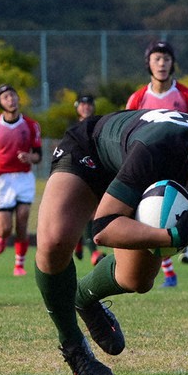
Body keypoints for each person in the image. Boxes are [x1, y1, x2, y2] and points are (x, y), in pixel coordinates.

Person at [34, 106, 188, 375]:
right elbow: (103, 228)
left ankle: (82, 296)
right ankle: (74, 349)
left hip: (142, 173)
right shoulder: (160, 148)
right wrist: (174, 237)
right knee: (54, 243)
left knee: (137, 279)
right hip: (93, 152)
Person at [126, 40, 188, 286]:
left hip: (181, 165)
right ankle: (170, 269)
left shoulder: (187, 95)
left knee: (177, 212)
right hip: (148, 166)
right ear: (148, 63)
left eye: (166, 59)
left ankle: (177, 253)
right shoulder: (137, 98)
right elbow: (128, 131)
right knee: (154, 215)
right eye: (157, 59)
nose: (162, 64)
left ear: (172, 64)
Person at [0, 84, 42, 276]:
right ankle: (1, 235)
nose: (11, 99)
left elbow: (38, 155)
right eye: (6, 97)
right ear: (0, 102)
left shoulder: (31, 125)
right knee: (6, 227)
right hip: (2, 180)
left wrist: (29, 158)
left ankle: (19, 265)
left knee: (23, 219)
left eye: (13, 95)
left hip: (24, 178)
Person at [72, 94, 105, 266]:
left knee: (94, 212)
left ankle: (80, 241)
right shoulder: (73, 128)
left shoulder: (99, 125)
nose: (86, 107)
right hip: (79, 172)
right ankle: (94, 252)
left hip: (98, 172)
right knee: (87, 212)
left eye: (89, 104)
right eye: (83, 104)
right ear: (77, 107)